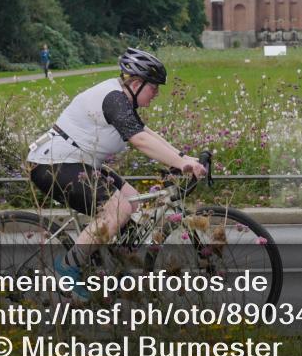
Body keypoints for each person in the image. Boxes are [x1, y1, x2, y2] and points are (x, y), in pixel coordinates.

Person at [26, 47, 207, 299]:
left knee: (131, 200)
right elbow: (140, 140)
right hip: (54, 164)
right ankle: (66, 268)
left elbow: (146, 132)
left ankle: (120, 266)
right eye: (153, 87)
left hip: (80, 163)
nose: (156, 93)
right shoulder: (113, 98)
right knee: (120, 209)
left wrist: (181, 158)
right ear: (135, 83)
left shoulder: (122, 99)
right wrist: (181, 162)